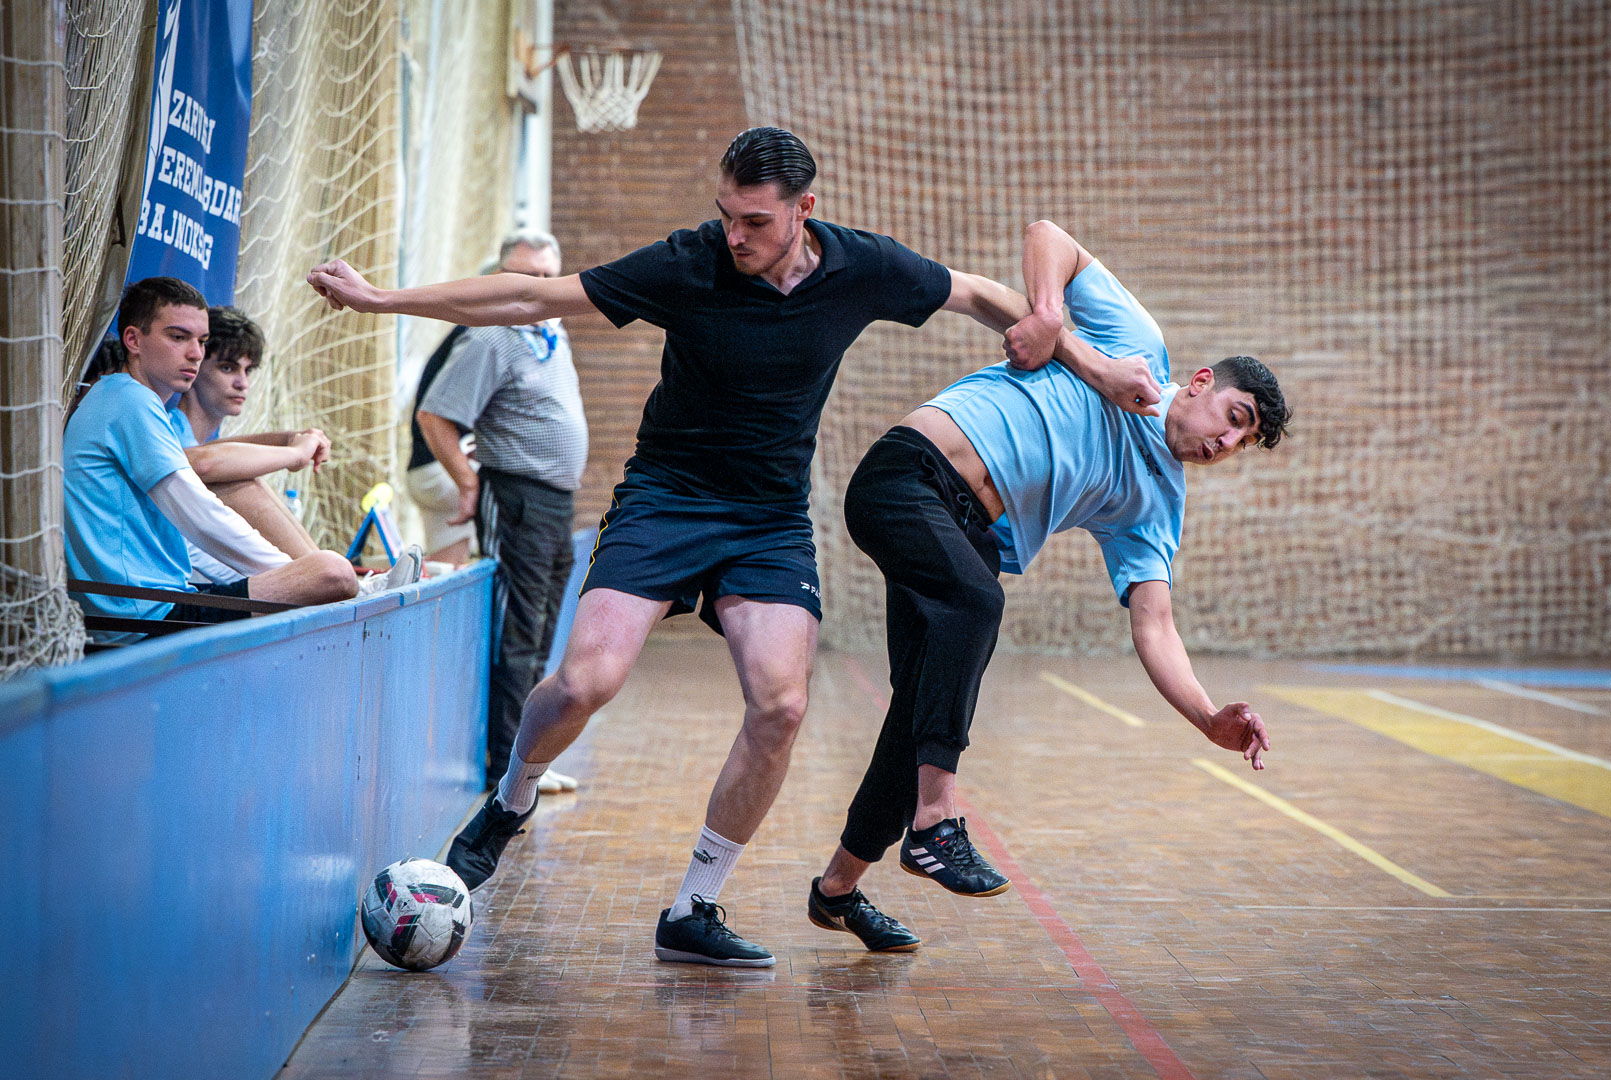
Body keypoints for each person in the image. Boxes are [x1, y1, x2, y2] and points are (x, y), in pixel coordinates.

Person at [307, 128, 1160, 968]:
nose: (735, 236)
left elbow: (977, 294)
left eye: (755, 220)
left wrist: (1083, 359)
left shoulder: (860, 265)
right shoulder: (689, 263)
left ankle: (693, 907)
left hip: (769, 520)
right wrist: (385, 300)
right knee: (586, 681)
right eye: (726, 215)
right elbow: (533, 298)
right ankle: (511, 798)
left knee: (780, 706)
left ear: (803, 210)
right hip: (665, 500)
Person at [804, 220, 1290, 953]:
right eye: (1233, 418)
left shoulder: (1157, 503)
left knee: (916, 718)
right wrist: (1049, 316)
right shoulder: (1135, 345)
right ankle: (935, 822)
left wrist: (1205, 718)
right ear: (1199, 384)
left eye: (1239, 443)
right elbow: (1048, 237)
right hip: (908, 476)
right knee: (977, 603)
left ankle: (837, 891)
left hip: (969, 534)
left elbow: (1154, 624)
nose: (1224, 443)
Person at [64, 277, 361, 641]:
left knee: (325, 572)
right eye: (178, 337)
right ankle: (356, 588)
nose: (194, 353)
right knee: (333, 573)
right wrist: (298, 578)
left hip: (145, 607)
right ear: (133, 340)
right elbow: (201, 516)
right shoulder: (130, 401)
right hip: (141, 618)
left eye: (201, 341)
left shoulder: (124, 399)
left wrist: (294, 579)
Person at [415, 230, 585, 795]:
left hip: (556, 502)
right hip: (515, 496)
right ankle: (507, 768)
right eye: (525, 276)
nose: (538, 287)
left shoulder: (551, 334)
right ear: (498, 281)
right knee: (517, 632)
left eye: (547, 277)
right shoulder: (492, 339)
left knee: (541, 632)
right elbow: (435, 416)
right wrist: (468, 483)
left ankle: (529, 758)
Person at [176, 305, 332, 564]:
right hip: (174, 575)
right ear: (194, 366)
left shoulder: (195, 439)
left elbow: (217, 449)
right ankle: (324, 572)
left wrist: (292, 438)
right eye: (228, 368)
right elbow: (203, 461)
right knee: (240, 482)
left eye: (248, 370)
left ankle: (326, 571)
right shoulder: (171, 431)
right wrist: (294, 452)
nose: (242, 383)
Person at [404, 324, 474, 566]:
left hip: (424, 470)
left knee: (447, 565)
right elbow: (430, 418)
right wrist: (468, 482)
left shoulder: (470, 334)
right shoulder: (482, 337)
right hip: (438, 470)